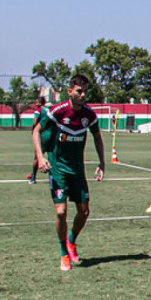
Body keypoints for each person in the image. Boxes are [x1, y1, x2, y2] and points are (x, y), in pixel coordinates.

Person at [33, 74, 106, 271]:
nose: (83, 95)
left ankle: (71, 241)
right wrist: (40, 157)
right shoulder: (58, 112)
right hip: (58, 170)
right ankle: (63, 253)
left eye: (85, 92)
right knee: (61, 211)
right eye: (79, 91)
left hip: (78, 170)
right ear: (70, 92)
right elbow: (36, 131)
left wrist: (102, 162)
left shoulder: (89, 115)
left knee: (84, 211)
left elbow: (97, 137)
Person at [26, 95, 47, 184]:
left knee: (37, 156)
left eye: (36, 101)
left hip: (42, 135)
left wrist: (34, 131)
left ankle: (33, 178)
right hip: (51, 134)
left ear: (39, 103)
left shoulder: (38, 110)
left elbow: (35, 122)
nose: (35, 103)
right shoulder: (48, 110)